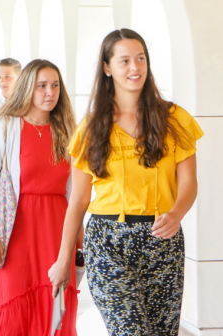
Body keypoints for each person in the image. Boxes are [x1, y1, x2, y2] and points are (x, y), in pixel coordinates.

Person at [49, 29, 203, 336]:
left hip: (163, 240)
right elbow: (78, 199)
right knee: (131, 331)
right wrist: (63, 259)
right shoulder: (90, 129)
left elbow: (189, 183)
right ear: (107, 68)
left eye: (140, 58)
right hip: (108, 242)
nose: (135, 68)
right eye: (124, 61)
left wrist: (176, 215)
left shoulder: (175, 119)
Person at [0, 59, 78, 335]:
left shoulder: (67, 130)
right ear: (27, 89)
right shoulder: (5, 126)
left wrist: (77, 235)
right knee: (11, 308)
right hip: (15, 232)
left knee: (56, 305)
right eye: (42, 86)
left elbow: (75, 192)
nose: (50, 92)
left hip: (57, 229)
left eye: (55, 86)